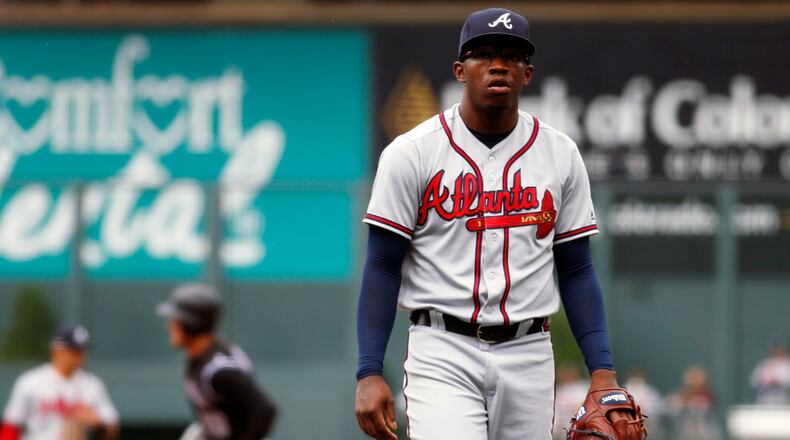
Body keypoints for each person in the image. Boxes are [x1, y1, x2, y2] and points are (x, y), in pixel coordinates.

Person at [354, 7, 639, 440]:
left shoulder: (560, 154)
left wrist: (602, 371)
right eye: (483, 54)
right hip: (442, 347)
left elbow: (577, 270)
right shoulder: (411, 152)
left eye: (512, 55)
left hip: (529, 351)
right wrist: (369, 370)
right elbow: (382, 266)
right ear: (460, 70)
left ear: (527, 73)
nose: (498, 64)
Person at [157, 283, 277, 440]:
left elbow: (265, 410)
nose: (170, 326)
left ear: (192, 322)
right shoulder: (199, 356)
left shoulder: (219, 370)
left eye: (176, 320)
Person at [0, 326, 119, 440]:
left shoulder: (93, 385)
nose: (80, 356)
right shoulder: (30, 382)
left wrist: (98, 425)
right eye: (74, 350)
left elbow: (112, 429)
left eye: (83, 350)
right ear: (56, 350)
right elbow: (11, 426)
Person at [666, 365, 720, 440]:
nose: (694, 382)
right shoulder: (678, 395)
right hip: (682, 434)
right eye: (692, 378)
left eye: (697, 379)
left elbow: (702, 410)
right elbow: (669, 409)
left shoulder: (707, 396)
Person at [750, 340, 790, 405]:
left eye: (779, 350)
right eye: (775, 350)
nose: (777, 352)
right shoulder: (765, 364)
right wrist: (765, 381)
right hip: (765, 399)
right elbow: (754, 380)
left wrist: (777, 382)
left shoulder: (786, 364)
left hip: (782, 398)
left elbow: (787, 381)